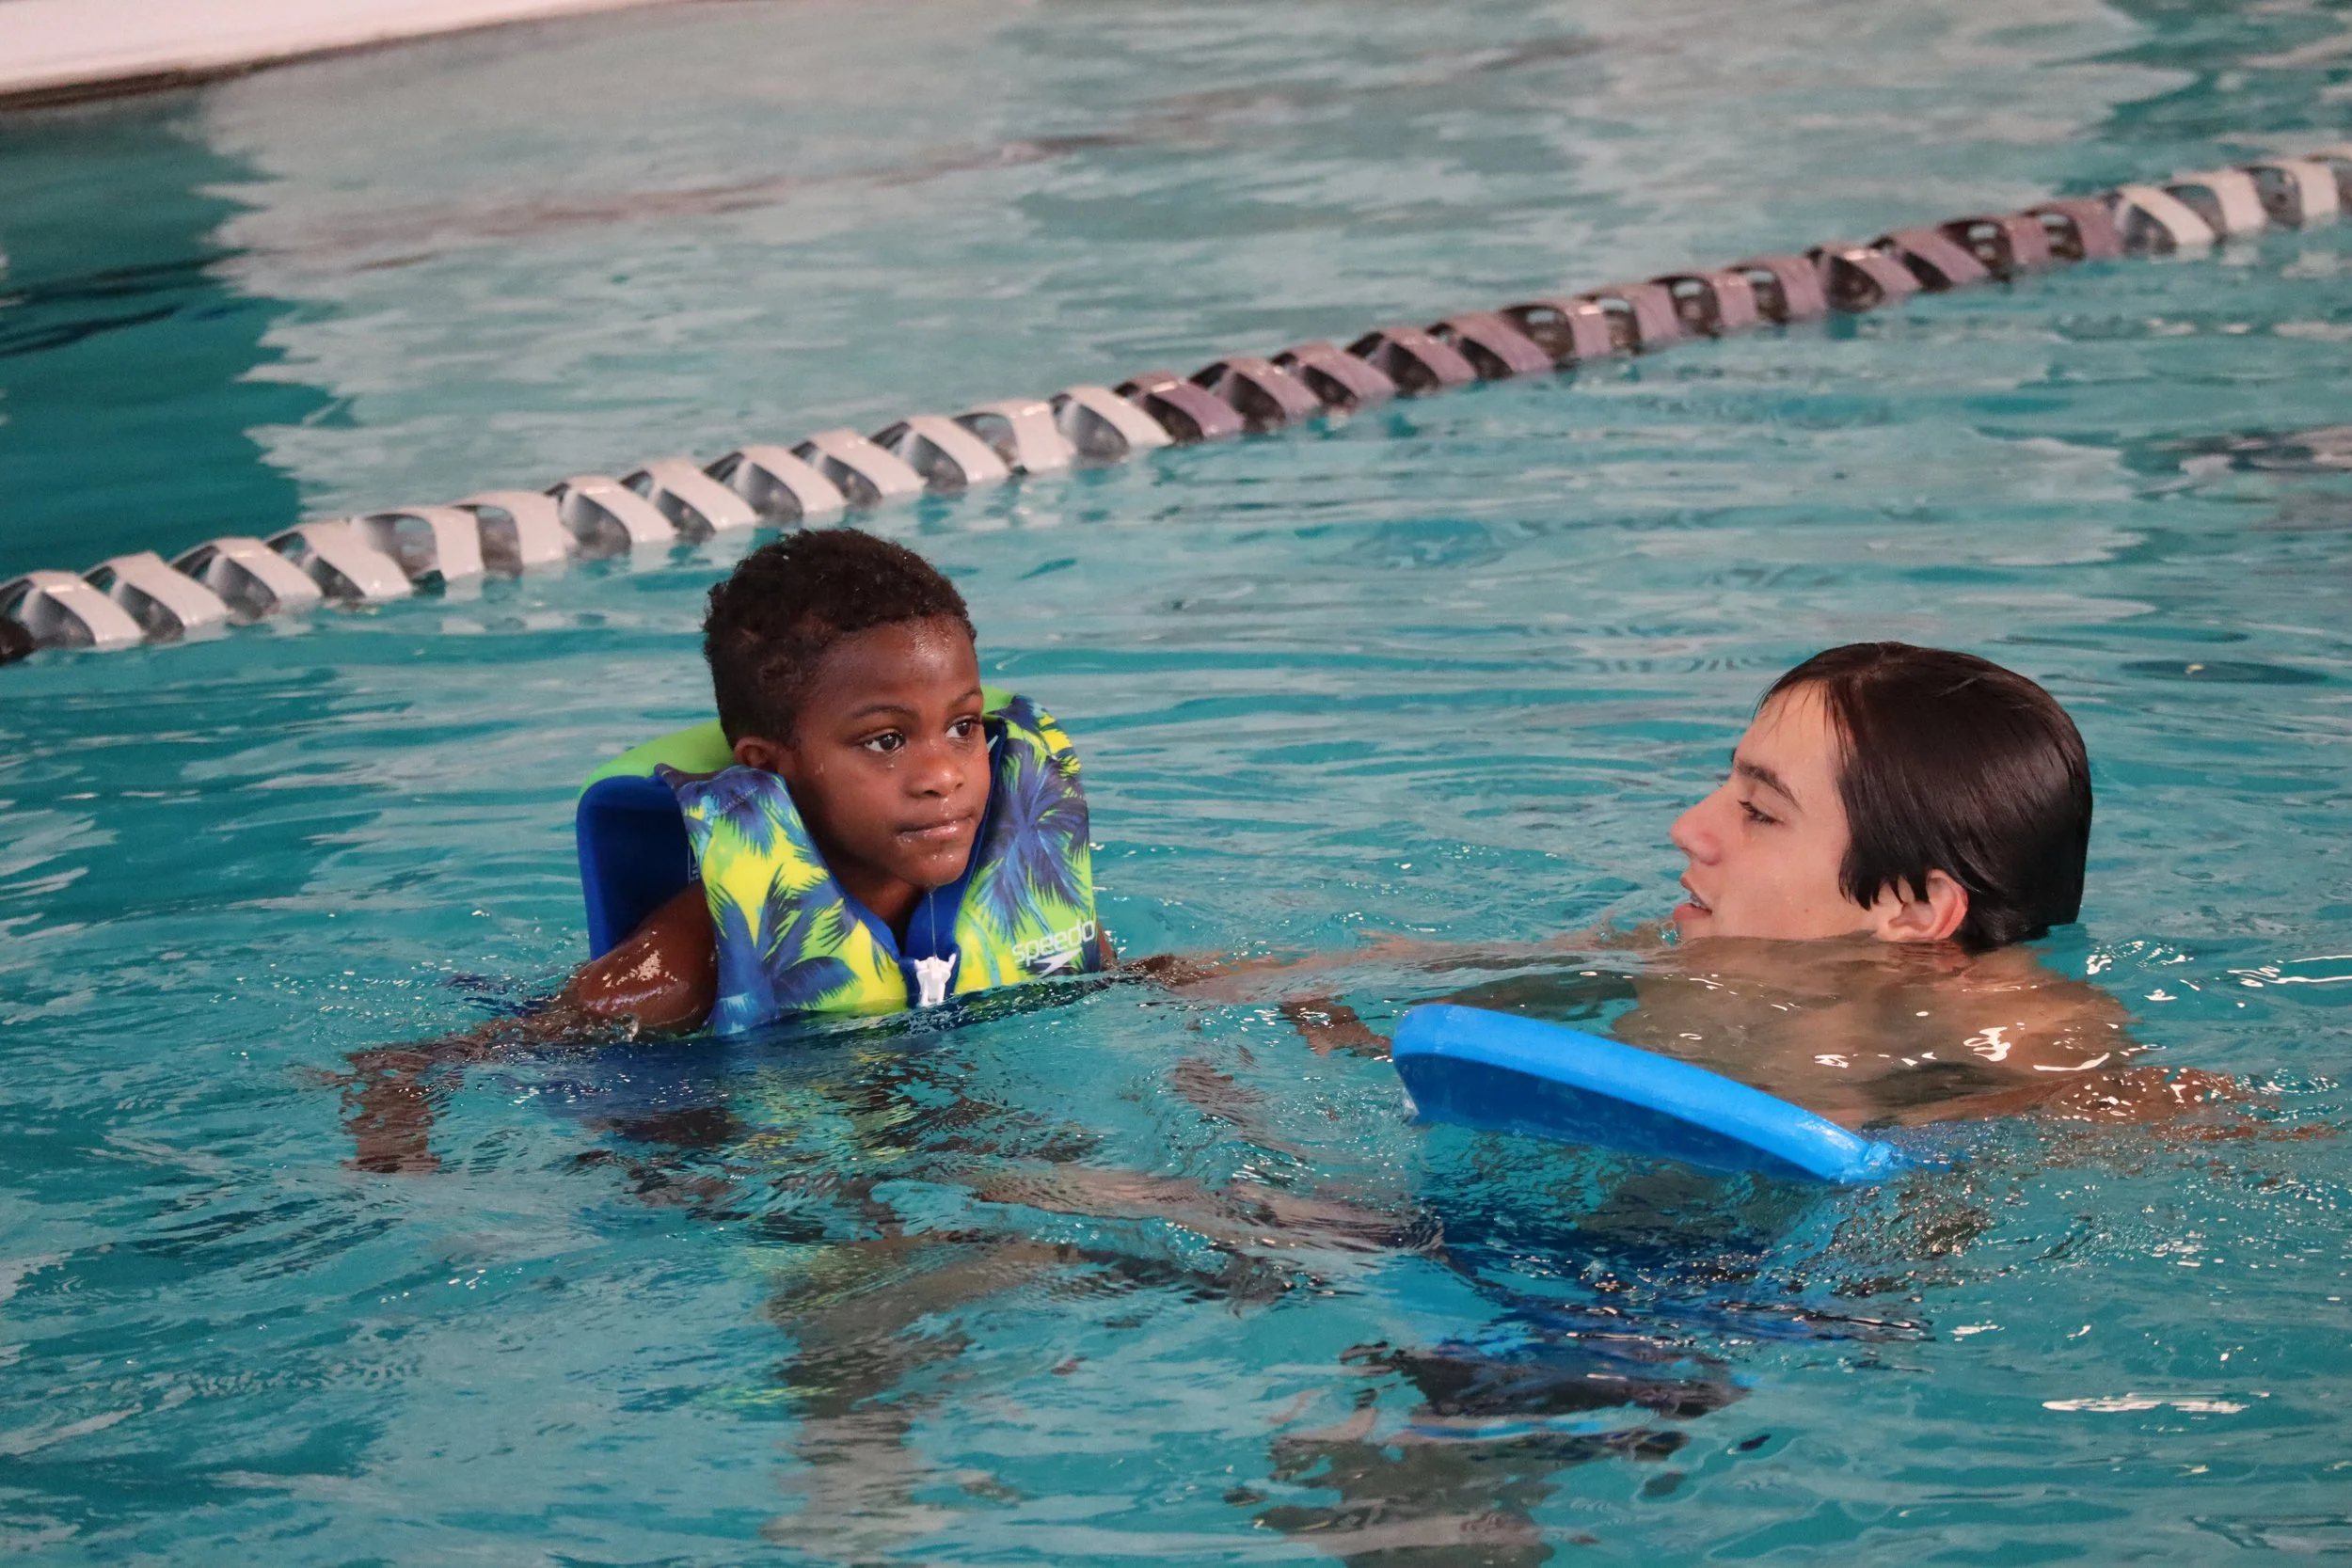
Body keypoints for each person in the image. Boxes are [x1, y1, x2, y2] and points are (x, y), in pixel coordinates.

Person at [339, 529, 1110, 1170]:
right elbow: (413, 1062)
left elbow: (1109, 974)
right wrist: (402, 1162)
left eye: (964, 725)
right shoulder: (689, 956)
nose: (943, 775)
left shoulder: (1018, 890)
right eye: (885, 740)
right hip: (738, 1168)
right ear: (768, 766)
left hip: (926, 1133)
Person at [1241, 642, 2225, 1127]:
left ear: (1915, 909)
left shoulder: (1999, 1016)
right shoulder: (1685, 951)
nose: (1690, 826)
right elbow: (1437, 974)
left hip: (1793, 1292)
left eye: (1758, 810)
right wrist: (1211, 982)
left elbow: (2191, 1124)